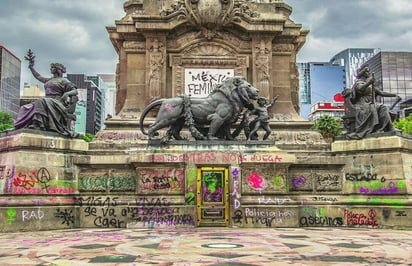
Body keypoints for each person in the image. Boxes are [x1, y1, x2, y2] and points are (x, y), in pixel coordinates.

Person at [14, 50, 79, 137]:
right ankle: (23, 125)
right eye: (51, 68)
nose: (51, 69)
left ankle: (38, 123)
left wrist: (67, 94)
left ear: (57, 70)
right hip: (47, 101)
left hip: (57, 102)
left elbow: (75, 91)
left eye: (53, 68)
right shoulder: (49, 80)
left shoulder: (64, 81)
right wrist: (31, 67)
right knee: (25, 107)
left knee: (41, 101)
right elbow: (38, 76)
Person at [344, 65, 401, 139]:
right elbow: (360, 89)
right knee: (381, 107)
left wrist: (394, 95)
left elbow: (381, 93)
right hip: (362, 104)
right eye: (367, 71)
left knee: (383, 108)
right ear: (362, 73)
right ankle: (389, 128)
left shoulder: (370, 85)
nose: (369, 73)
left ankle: (387, 128)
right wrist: (369, 82)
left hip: (370, 104)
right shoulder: (359, 83)